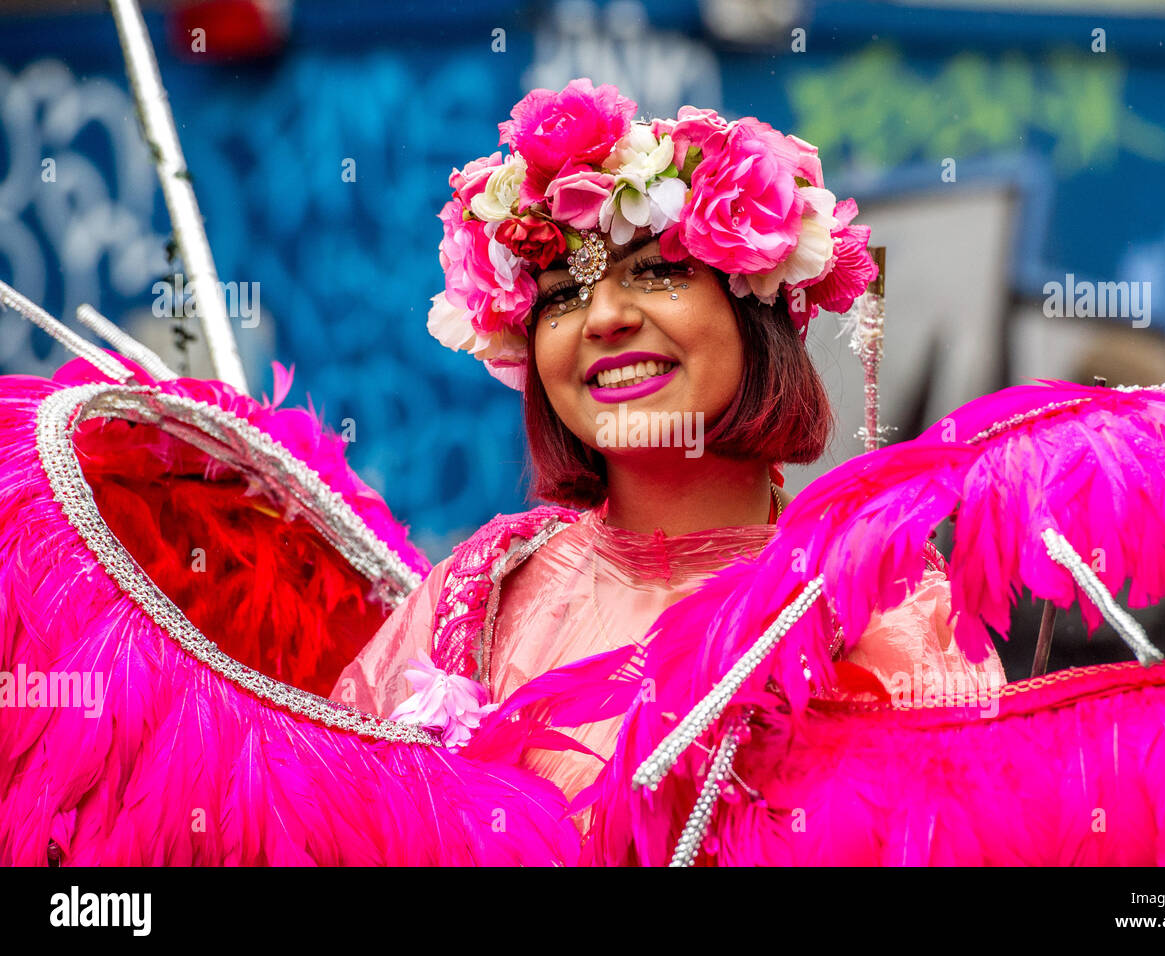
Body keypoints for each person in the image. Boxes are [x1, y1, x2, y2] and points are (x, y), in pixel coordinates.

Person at [330, 78, 1005, 809]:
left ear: (758, 317)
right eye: (562, 294)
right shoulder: (476, 598)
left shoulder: (878, 606)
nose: (604, 318)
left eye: (656, 272)